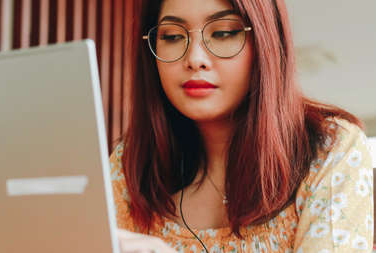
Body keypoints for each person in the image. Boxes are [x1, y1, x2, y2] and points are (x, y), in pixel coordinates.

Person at [111, 0, 374, 252]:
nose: (195, 58)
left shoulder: (330, 151)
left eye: (223, 33)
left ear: (266, 40)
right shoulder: (130, 167)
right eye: (172, 36)